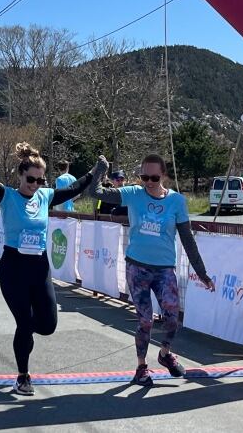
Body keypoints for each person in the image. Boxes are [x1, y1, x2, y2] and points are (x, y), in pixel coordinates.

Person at [0, 140, 104, 395]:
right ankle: (23, 375)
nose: (35, 185)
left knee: (47, 325)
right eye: (31, 180)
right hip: (14, 268)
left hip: (39, 268)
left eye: (40, 180)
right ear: (21, 175)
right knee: (24, 323)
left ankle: (24, 331)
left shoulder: (45, 196)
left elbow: (73, 189)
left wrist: (94, 172)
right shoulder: (7, 196)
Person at [90, 154, 215, 387]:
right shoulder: (134, 194)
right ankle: (141, 367)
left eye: (154, 177)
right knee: (145, 320)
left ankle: (165, 354)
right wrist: (101, 169)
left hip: (164, 268)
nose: (148, 181)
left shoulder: (176, 201)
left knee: (171, 316)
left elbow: (188, 240)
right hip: (137, 266)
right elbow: (95, 193)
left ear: (164, 175)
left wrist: (202, 272)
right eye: (144, 176)